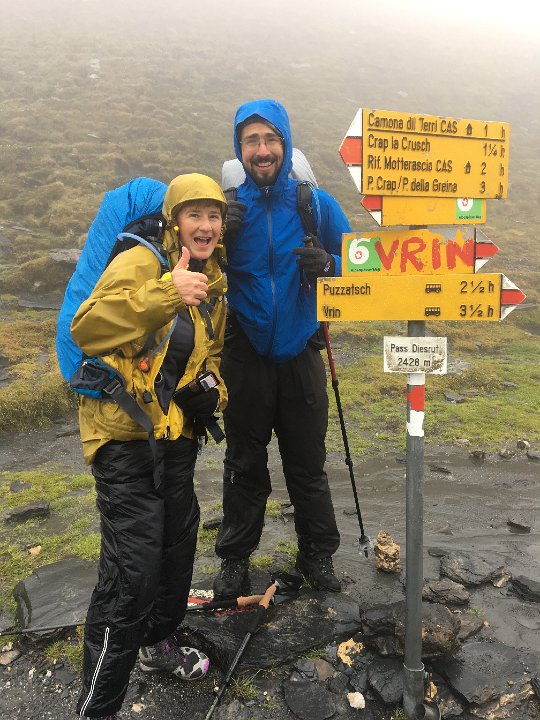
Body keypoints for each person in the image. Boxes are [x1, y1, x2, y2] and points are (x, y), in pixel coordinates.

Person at [71, 173, 228, 719]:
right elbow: (87, 327)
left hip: (175, 438)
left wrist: (213, 392)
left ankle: (157, 645)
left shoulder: (213, 282)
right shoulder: (142, 263)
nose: (204, 226)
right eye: (194, 215)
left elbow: (208, 357)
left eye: (213, 216)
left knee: (176, 553)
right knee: (130, 578)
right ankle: (98, 707)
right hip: (124, 438)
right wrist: (166, 293)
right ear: (174, 221)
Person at [213, 98, 352, 600]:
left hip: (301, 353)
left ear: (285, 143)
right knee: (243, 464)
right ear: (240, 149)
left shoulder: (315, 204)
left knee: (307, 464)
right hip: (244, 353)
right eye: (251, 140)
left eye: (270, 138)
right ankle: (234, 559)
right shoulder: (226, 210)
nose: (262, 149)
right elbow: (190, 265)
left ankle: (317, 555)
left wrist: (330, 265)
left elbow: (363, 263)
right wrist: (219, 239)